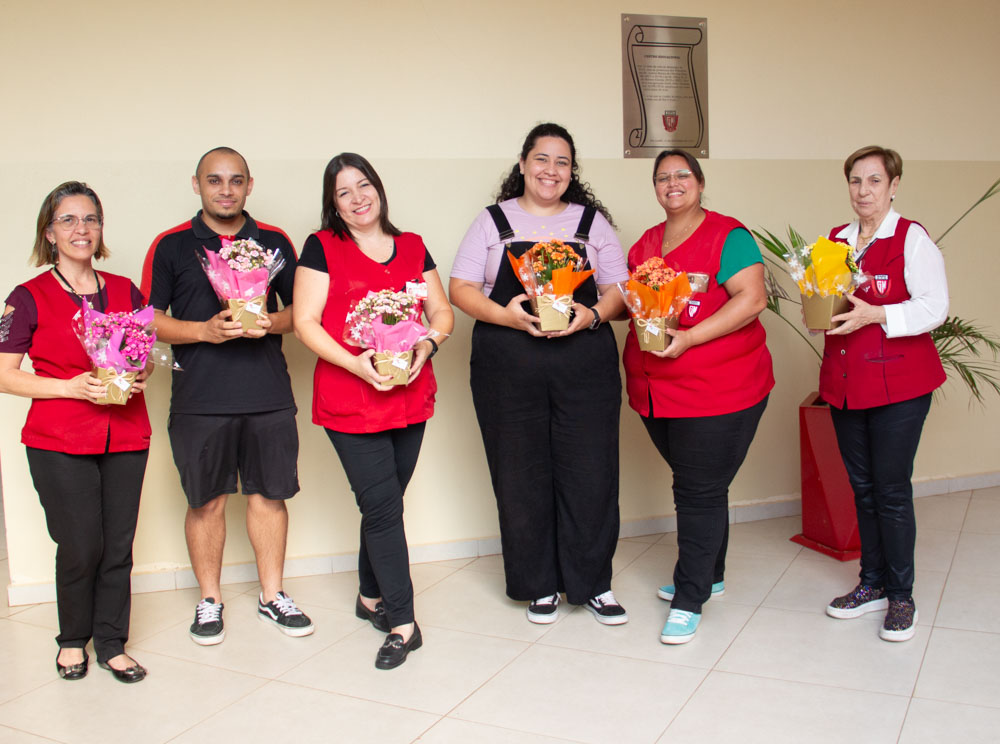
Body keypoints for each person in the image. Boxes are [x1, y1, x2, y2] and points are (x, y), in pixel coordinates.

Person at [450, 122, 629, 626]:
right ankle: (539, 584)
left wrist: (591, 315)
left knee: (591, 472)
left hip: (584, 366)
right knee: (519, 473)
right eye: (542, 159)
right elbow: (460, 287)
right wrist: (507, 315)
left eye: (563, 162)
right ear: (524, 164)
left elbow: (621, 291)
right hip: (507, 368)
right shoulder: (491, 222)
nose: (552, 170)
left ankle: (593, 583)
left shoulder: (592, 224)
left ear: (572, 172)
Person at [140, 147, 313, 645]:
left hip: (267, 394)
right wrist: (204, 331)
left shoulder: (273, 240)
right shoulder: (172, 245)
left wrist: (268, 323)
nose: (225, 189)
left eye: (235, 181)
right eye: (214, 180)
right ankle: (210, 600)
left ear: (249, 185)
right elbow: (148, 319)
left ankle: (272, 595)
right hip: (199, 399)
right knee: (206, 502)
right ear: (196, 185)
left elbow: (302, 314)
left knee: (270, 497)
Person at [294, 153, 453, 669]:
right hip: (351, 397)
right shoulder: (321, 247)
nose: (358, 197)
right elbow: (306, 322)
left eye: (364, 185)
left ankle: (368, 596)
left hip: (411, 392)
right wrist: (357, 365)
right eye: (344, 192)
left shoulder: (412, 246)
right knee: (384, 508)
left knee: (385, 503)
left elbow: (441, 311)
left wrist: (427, 347)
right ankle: (403, 623)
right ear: (333, 205)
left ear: (379, 189)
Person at [0, 182, 151, 683]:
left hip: (126, 433)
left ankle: (111, 642)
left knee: (118, 545)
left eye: (90, 219)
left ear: (101, 229)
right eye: (68, 220)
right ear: (49, 232)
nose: (81, 229)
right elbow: (3, 373)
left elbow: (141, 353)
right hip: (59, 439)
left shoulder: (126, 289)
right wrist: (68, 388)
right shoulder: (27, 297)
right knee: (82, 543)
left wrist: (140, 370)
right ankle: (72, 640)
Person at [623, 150, 774, 644]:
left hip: (719, 391)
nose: (673, 183)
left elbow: (752, 300)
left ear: (701, 183)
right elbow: (642, 306)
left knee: (697, 490)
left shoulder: (728, 237)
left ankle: (691, 598)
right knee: (702, 484)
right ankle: (711, 572)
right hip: (654, 391)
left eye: (682, 174)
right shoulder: (646, 243)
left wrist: (688, 338)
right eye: (662, 177)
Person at [821, 146, 948, 642]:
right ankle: (870, 584)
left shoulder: (911, 238)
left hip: (900, 385)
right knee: (864, 489)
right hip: (847, 385)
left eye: (874, 181)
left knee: (891, 492)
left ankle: (901, 595)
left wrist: (877, 314)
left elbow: (934, 307)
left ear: (894, 185)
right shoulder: (836, 240)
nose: (863, 191)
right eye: (855, 181)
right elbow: (829, 299)